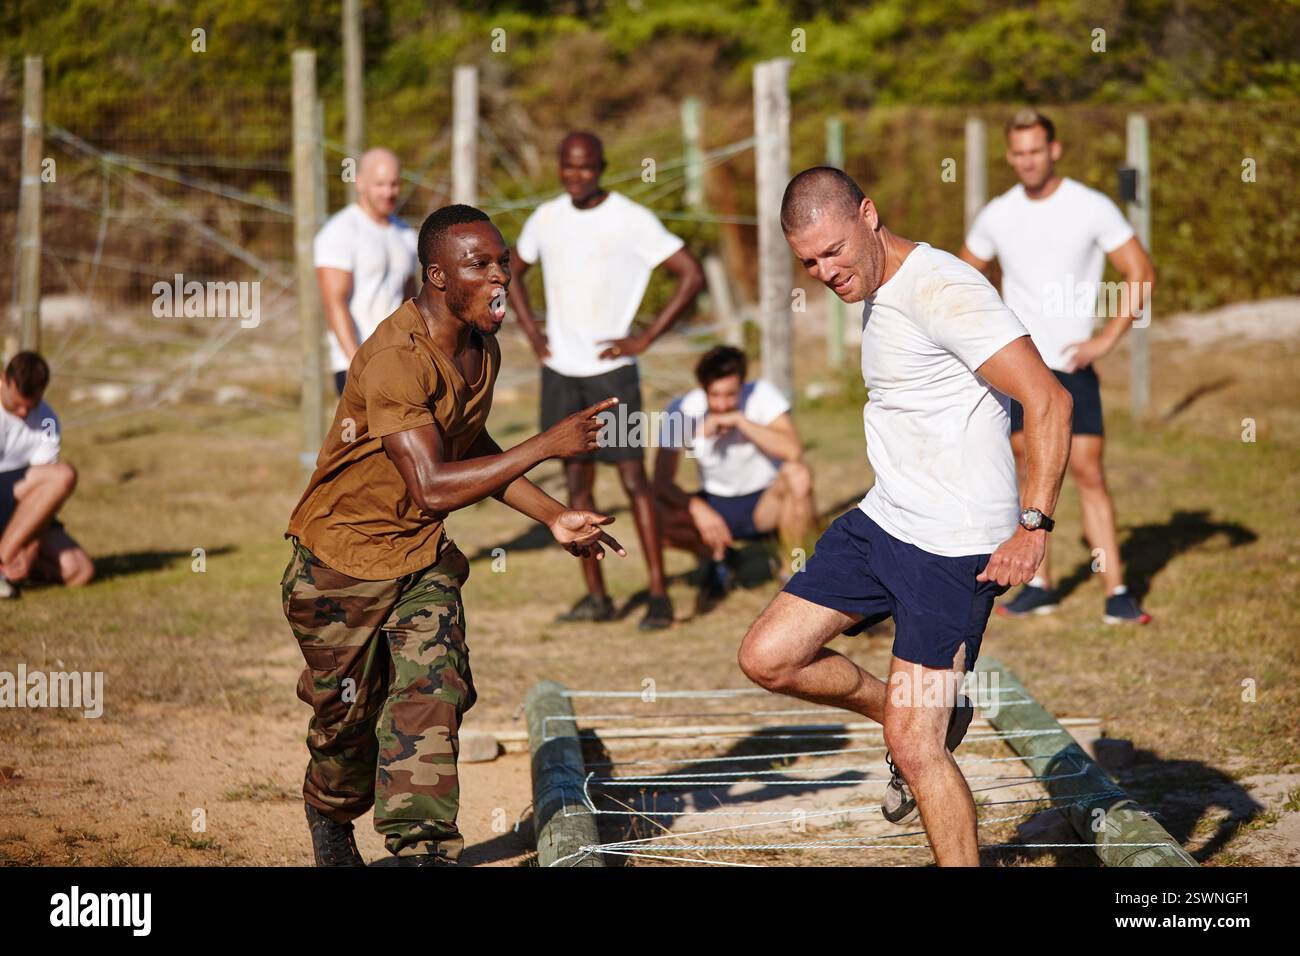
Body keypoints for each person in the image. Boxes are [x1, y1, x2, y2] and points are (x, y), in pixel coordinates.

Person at [737, 168, 1073, 867]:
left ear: (868, 211)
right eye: (810, 261)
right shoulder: (876, 284)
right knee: (768, 657)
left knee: (915, 750)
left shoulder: (943, 290)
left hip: (951, 551)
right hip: (883, 521)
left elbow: (1049, 400)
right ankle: (909, 711)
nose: (826, 271)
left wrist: (1033, 525)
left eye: (833, 251)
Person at [283, 204, 626, 867]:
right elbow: (434, 484)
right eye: (481, 265)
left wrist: (553, 515)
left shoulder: (481, 347)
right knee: (347, 720)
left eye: (502, 261)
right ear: (438, 276)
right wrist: (549, 444)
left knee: (432, 692)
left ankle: (423, 852)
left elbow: (472, 448)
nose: (501, 276)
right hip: (338, 566)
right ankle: (329, 814)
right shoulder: (394, 358)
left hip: (420, 562)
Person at [960, 109, 1156, 624]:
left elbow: (1139, 271)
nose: (1028, 161)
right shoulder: (996, 214)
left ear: (1054, 150)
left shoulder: (1091, 206)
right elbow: (959, 279)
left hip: (1072, 365)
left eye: (1035, 151)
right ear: (1010, 157)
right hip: (1019, 368)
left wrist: (1106, 340)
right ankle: (1038, 584)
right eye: (1018, 153)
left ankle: (1116, 592)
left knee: (1089, 472)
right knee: (1027, 471)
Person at [508, 131, 705, 630]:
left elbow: (690, 274)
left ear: (601, 167)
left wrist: (643, 340)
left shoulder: (631, 219)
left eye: (586, 167)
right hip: (560, 373)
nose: (576, 176)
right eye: (567, 167)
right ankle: (597, 596)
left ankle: (658, 594)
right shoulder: (546, 217)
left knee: (634, 478)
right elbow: (510, 269)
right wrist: (532, 331)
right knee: (576, 482)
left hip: (613, 373)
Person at [653, 345, 815, 609]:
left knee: (798, 474)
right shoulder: (682, 410)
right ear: (702, 389)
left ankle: (792, 575)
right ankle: (718, 556)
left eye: (731, 394)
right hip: (715, 502)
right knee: (652, 513)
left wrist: (741, 422)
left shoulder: (761, 395)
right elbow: (660, 482)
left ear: (743, 385)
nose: (723, 404)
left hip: (765, 504)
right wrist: (698, 509)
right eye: (715, 395)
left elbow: (793, 451)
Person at [315, 147, 420, 395]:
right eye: (380, 184)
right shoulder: (340, 231)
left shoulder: (406, 234)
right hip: (356, 364)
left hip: (400, 360)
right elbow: (334, 304)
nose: (388, 192)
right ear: (360, 182)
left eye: (394, 184)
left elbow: (410, 302)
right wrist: (356, 364)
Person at [0, 352, 95, 598]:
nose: (22, 413)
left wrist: (31, 551)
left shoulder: (48, 422)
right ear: (4, 380)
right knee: (62, 475)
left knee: (80, 570)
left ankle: (8, 565)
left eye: (29, 406)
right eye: (17, 403)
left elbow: (48, 498)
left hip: (21, 512)